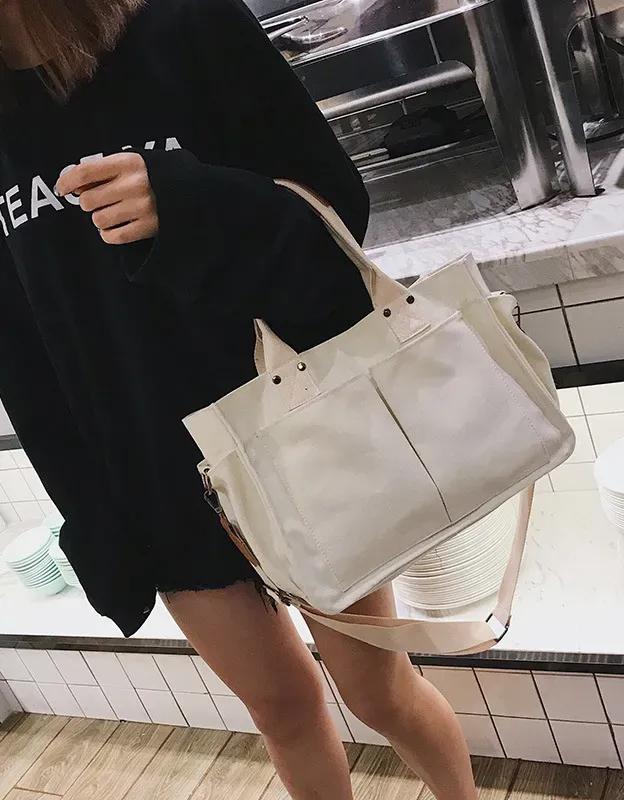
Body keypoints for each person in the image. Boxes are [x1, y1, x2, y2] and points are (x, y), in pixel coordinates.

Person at [0, 1, 479, 797]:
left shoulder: (183, 22)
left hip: (295, 425)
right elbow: (23, 361)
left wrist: (186, 203)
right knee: (282, 711)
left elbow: (335, 208)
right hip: (151, 481)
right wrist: (94, 512)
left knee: (377, 692)